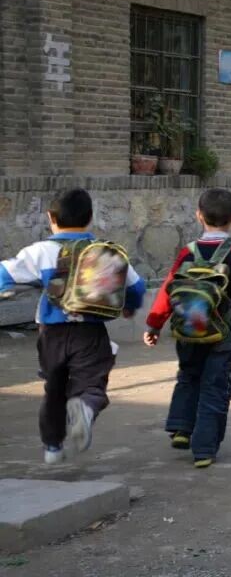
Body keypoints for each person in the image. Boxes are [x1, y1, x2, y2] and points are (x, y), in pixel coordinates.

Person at [0, 188, 146, 464]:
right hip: (90, 331)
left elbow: (4, 273)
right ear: (90, 218)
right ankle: (85, 408)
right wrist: (130, 307)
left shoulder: (40, 252)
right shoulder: (105, 252)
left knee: (53, 388)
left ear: (51, 218)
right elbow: (136, 287)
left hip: (51, 333)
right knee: (92, 382)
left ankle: (52, 446)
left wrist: (7, 288)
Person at [143, 188, 231, 468]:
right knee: (215, 386)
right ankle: (203, 450)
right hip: (224, 332)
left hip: (187, 329)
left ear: (198, 216)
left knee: (188, 376)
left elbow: (169, 288)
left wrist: (154, 324)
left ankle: (181, 427)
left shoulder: (188, 251)